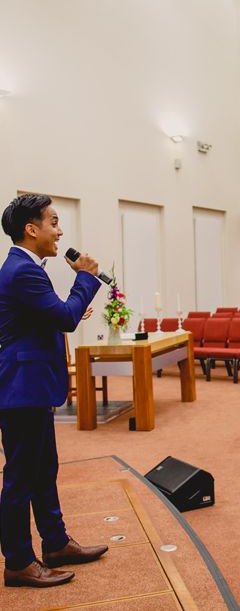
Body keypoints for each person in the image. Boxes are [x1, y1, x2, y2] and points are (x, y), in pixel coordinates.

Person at [0, 194, 108, 588]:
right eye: (53, 222)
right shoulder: (23, 270)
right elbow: (63, 317)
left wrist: (73, 305)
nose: (60, 231)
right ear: (31, 229)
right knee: (20, 477)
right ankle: (18, 561)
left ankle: (57, 542)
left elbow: (48, 316)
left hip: (31, 386)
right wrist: (87, 278)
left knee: (43, 471)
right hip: (21, 388)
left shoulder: (27, 267)